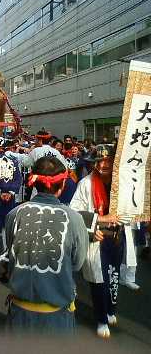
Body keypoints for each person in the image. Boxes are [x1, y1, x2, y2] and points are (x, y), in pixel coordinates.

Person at [5, 156, 88, 335]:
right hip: (56, 312)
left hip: (20, 307)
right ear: (62, 185)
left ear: (34, 183)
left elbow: (11, 250)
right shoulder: (74, 218)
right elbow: (77, 262)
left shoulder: (14, 214)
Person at [70, 144, 123, 338]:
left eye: (108, 160)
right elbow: (74, 211)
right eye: (100, 161)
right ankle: (101, 318)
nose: (104, 165)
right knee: (98, 280)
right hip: (97, 236)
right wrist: (95, 227)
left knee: (114, 277)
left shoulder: (121, 183)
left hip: (117, 237)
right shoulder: (85, 183)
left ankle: (110, 310)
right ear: (93, 163)